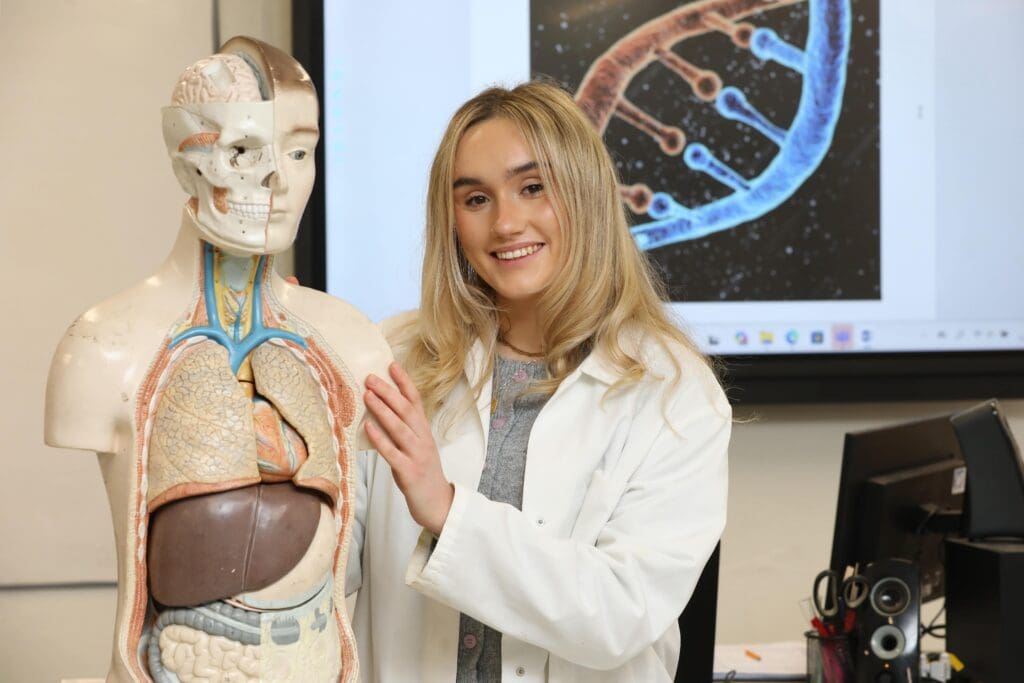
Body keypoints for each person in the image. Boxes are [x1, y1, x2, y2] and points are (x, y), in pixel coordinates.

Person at [349, 80, 731, 682]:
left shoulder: (674, 392)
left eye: (533, 188)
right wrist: (284, 361)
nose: (505, 223)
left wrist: (446, 510)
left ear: (587, 194)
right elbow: (322, 566)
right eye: (476, 199)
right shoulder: (387, 357)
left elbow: (619, 615)